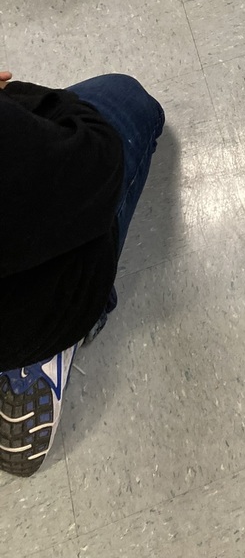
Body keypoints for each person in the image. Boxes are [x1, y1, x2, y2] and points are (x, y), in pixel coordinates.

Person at [0, 71, 164, 476]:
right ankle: (44, 351)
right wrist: (15, 98)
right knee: (127, 98)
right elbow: (101, 163)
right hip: (26, 315)